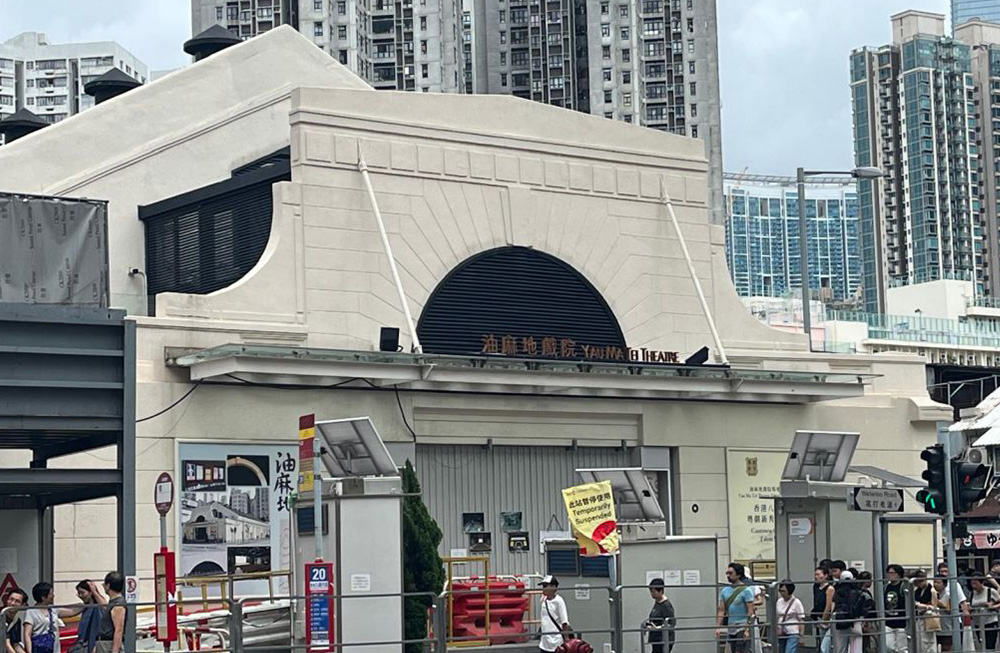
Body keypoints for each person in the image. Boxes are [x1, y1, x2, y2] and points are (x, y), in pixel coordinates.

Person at [715, 562, 755, 653]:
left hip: (742, 626)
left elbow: (750, 611)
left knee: (740, 650)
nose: (728, 575)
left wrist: (748, 629)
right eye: (727, 573)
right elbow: (721, 610)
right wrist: (717, 627)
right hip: (731, 626)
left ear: (739, 574)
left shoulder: (746, 590)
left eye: (731, 573)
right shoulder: (725, 591)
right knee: (733, 649)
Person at [934, 574, 970, 653]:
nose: (936, 584)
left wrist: (939, 603)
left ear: (944, 584)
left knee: (947, 648)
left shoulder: (949, 595)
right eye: (935, 582)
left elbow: (951, 608)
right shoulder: (934, 594)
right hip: (936, 626)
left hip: (948, 626)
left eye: (938, 583)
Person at [831, 570, 862, 653]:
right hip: (855, 620)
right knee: (856, 645)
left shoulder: (837, 590)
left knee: (840, 646)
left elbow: (833, 605)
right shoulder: (857, 590)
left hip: (840, 619)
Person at [69, 581, 105, 653]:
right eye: (79, 593)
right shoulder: (85, 607)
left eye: (82, 592)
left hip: (92, 646)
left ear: (91, 592)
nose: (80, 595)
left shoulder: (97, 608)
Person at [94, 573, 126, 653]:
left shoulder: (118, 605)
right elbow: (105, 606)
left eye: (104, 584)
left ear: (108, 585)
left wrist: (114, 651)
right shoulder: (113, 602)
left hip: (108, 645)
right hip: (104, 643)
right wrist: (94, 592)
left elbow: (119, 630)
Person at [538, 575, 569, 653]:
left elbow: (564, 622)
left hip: (556, 643)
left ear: (553, 587)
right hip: (544, 643)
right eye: (543, 586)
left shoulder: (559, 601)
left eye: (545, 586)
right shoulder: (543, 599)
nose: (543, 588)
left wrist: (567, 641)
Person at [969, 574, 1000, 651]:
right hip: (977, 623)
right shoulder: (972, 594)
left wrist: (993, 606)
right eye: (972, 583)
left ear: (981, 583)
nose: (974, 585)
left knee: (990, 644)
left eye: (975, 583)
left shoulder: (991, 591)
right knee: (980, 644)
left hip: (990, 621)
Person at [644, 578, 675, 653]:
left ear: (660, 591)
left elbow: (672, 623)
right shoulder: (657, 603)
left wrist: (658, 628)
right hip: (656, 639)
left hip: (663, 639)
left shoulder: (666, 605)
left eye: (653, 592)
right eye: (651, 592)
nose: (652, 594)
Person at [912, 570, 938, 653]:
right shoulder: (918, 591)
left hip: (928, 617)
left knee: (928, 641)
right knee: (920, 641)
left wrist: (920, 605)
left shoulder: (932, 591)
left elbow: (934, 606)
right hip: (919, 618)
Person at [883, 565, 907, 653]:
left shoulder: (904, 587)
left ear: (898, 574)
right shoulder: (886, 587)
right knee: (888, 646)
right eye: (888, 573)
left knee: (902, 648)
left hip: (902, 622)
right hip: (888, 621)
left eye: (892, 573)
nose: (890, 575)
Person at [776, 580, 805, 653]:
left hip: (793, 631)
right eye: (780, 591)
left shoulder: (797, 602)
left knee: (789, 651)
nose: (781, 593)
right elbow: (778, 616)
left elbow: (801, 619)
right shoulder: (779, 601)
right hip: (781, 631)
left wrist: (801, 636)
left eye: (783, 591)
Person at [812, 566, 835, 653]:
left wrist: (824, 619)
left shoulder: (829, 589)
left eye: (818, 574)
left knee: (825, 645)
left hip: (826, 620)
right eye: (815, 575)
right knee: (822, 642)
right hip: (819, 617)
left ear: (825, 575)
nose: (816, 577)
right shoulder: (816, 587)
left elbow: (828, 606)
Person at [4, 589, 29, 653]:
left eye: (17, 601)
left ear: (23, 605)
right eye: (11, 599)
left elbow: (16, 645)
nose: (12, 603)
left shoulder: (17, 621)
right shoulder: (1, 617)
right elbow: (6, 644)